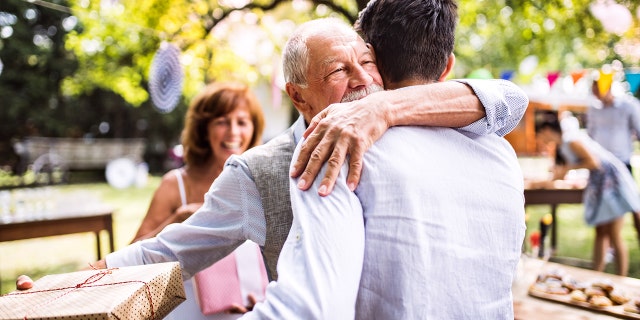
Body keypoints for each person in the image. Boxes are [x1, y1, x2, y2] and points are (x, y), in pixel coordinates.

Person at [18, 15, 527, 301]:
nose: (363, 80)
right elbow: (167, 252)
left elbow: (507, 101)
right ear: (299, 96)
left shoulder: (406, 126)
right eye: (337, 71)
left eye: (366, 62)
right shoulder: (261, 171)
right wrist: (68, 284)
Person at [243, 2, 526, 319]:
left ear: (372, 59)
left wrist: (384, 107)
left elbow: (315, 308)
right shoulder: (502, 156)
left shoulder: (343, 146)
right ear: (447, 67)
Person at [133, 82, 266, 319]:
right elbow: (134, 255)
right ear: (204, 129)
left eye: (242, 122)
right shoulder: (175, 185)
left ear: (254, 129)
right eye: (222, 121)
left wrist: (266, 298)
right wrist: (177, 220)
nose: (233, 131)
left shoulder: (261, 184)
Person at [537, 113, 640, 277]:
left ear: (548, 130)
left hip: (611, 183)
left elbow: (594, 162)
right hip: (601, 185)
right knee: (600, 231)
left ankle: (622, 278)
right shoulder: (563, 145)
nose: (540, 138)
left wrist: (569, 168)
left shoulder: (571, 140)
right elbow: (563, 172)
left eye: (541, 134)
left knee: (614, 233)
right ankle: (596, 275)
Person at [587, 78, 640, 246]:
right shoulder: (594, 110)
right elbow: (590, 137)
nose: (595, 94)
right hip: (600, 167)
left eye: (598, 90)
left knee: (635, 208)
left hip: (622, 165)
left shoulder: (628, 106)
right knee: (603, 215)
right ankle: (608, 250)